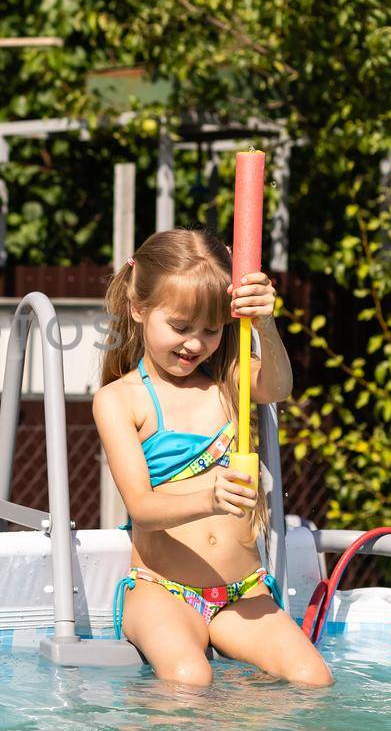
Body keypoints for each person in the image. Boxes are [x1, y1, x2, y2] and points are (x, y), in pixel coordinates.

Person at [93, 229, 332, 687]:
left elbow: (278, 386)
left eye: (212, 329)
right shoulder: (121, 399)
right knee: (189, 678)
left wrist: (263, 324)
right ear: (138, 308)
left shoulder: (228, 382)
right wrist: (210, 496)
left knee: (312, 680)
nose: (196, 344)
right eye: (180, 327)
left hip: (243, 593)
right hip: (162, 590)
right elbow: (142, 507)